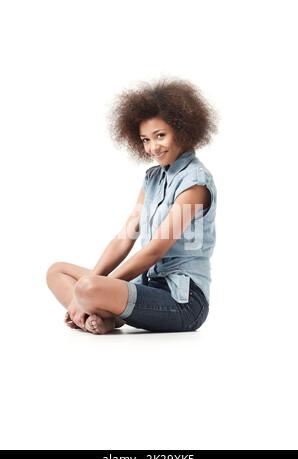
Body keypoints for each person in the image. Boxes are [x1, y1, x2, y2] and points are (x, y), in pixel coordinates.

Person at [46, 77, 218, 334]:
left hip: (183, 302)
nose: (152, 147)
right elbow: (124, 238)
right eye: (145, 139)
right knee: (57, 271)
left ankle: (93, 310)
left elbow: (154, 251)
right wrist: (96, 280)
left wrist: (93, 289)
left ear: (182, 130)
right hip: (147, 285)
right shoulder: (153, 178)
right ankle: (99, 316)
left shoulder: (194, 184)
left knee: (86, 288)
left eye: (160, 136)